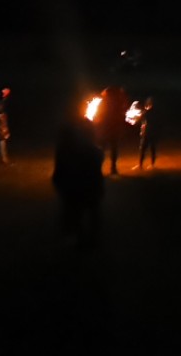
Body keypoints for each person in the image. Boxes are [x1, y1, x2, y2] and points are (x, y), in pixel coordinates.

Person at [52, 111, 105, 250]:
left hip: (77, 187)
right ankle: (84, 240)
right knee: (85, 214)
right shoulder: (91, 150)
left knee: (77, 213)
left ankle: (80, 239)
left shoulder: (67, 149)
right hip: (84, 188)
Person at [93, 84, 131, 175]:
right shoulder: (117, 103)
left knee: (103, 149)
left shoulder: (104, 103)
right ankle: (112, 168)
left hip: (107, 129)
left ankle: (102, 168)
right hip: (112, 129)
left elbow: (97, 115)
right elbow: (123, 114)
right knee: (113, 149)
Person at [135, 96, 157, 169]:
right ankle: (150, 164)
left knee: (144, 149)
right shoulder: (150, 111)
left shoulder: (148, 112)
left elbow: (143, 120)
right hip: (152, 133)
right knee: (151, 148)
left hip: (148, 133)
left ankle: (142, 165)